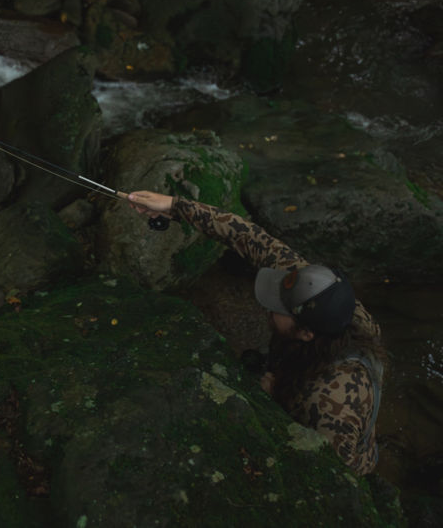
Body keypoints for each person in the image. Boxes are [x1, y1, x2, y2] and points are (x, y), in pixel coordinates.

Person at [126, 190, 386, 476]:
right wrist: (175, 206)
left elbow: (328, 474)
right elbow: (249, 237)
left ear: (306, 333)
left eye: (279, 308)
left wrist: (273, 405)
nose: (267, 309)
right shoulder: (325, 296)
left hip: (327, 434)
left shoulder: (329, 404)